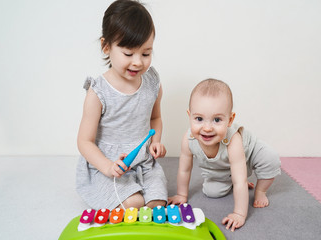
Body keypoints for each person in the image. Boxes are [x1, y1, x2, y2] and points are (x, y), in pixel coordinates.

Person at [76, 0, 167, 211]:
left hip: (143, 163)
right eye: (128, 54)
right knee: (133, 203)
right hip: (107, 165)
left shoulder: (152, 82)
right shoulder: (98, 92)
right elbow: (84, 141)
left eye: (146, 53)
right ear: (106, 46)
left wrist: (156, 141)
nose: (138, 62)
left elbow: (155, 118)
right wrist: (107, 167)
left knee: (157, 204)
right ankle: (117, 190)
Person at [168, 79, 281, 231]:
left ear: (230, 120)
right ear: (190, 116)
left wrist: (239, 214)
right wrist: (182, 195)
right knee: (211, 192)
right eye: (199, 119)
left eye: (217, 120)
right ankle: (230, 179)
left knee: (270, 159)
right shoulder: (188, 139)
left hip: (249, 152)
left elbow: (239, 180)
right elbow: (184, 169)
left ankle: (261, 191)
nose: (207, 128)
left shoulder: (233, 140)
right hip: (223, 166)